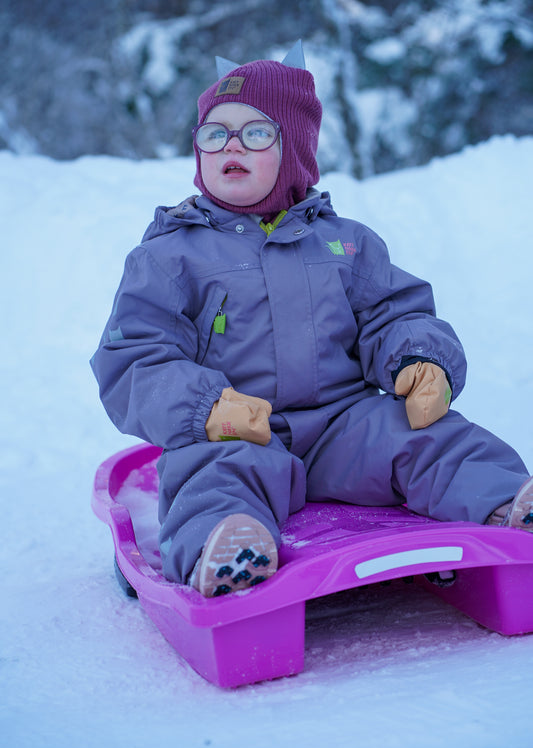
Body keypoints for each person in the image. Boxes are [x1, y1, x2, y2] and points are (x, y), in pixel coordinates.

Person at [91, 42, 533, 598]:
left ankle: (508, 501)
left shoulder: (345, 243)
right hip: (235, 431)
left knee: (426, 436)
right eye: (214, 134)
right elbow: (133, 356)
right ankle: (226, 545)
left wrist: (423, 360)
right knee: (210, 476)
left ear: (295, 149)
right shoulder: (171, 256)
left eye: (255, 133)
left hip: (343, 427)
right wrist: (204, 408)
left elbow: (394, 311)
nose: (230, 145)